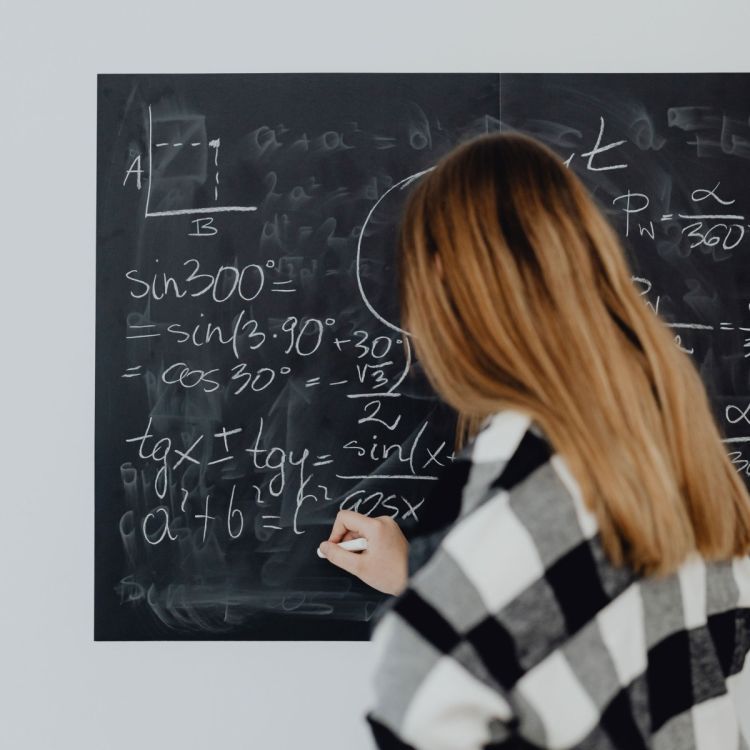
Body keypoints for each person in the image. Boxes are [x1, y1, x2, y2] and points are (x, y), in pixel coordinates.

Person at [317, 131, 750, 749]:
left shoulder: (531, 466)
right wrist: (429, 574)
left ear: (443, 278)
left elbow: (416, 704)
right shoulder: (686, 456)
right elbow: (609, 631)